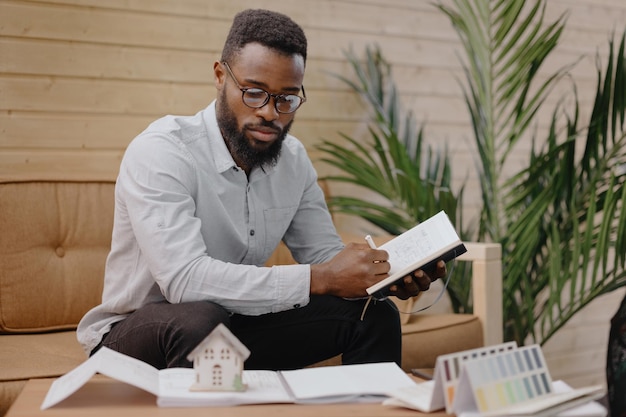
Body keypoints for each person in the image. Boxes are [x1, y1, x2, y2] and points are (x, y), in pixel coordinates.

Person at [77, 8, 446, 371]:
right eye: (255, 93)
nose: (271, 113)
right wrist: (323, 278)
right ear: (221, 76)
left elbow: (324, 256)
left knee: (373, 314)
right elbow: (185, 281)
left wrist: (381, 276)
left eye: (286, 98)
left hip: (235, 324)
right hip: (139, 334)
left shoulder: (294, 160)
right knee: (201, 320)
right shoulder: (162, 151)